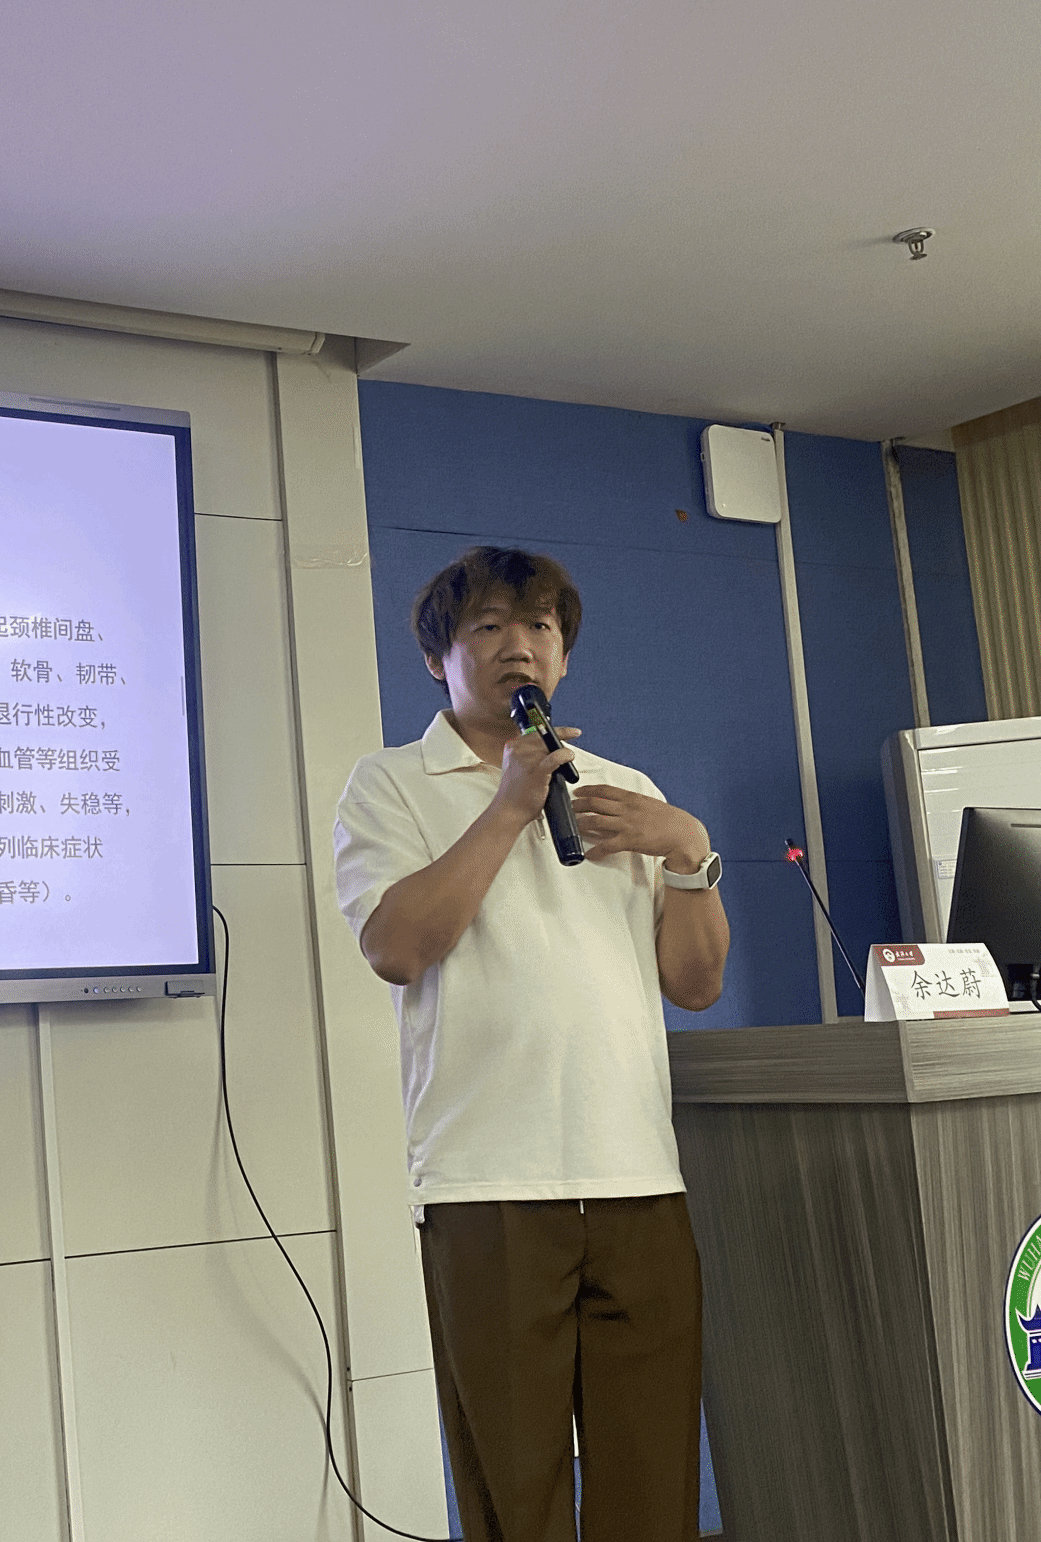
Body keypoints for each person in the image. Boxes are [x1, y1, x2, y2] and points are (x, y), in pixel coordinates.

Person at [333, 546, 729, 1542]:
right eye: (489, 627)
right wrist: (509, 808)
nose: (520, 645)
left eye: (540, 627)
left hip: (638, 1178)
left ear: (564, 655)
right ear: (438, 659)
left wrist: (689, 852)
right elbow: (395, 947)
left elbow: (694, 985)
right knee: (516, 1492)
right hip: (488, 1188)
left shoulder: (624, 789)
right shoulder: (390, 784)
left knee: (654, 1484)